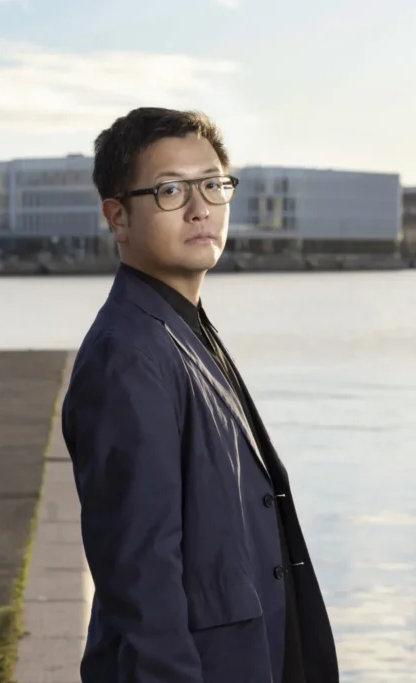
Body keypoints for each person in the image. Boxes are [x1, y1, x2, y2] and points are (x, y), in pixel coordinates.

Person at [61, 107, 339, 683]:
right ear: (118, 217)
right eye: (169, 190)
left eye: (213, 184)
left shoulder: (179, 327)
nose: (200, 207)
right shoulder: (127, 356)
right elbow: (142, 580)